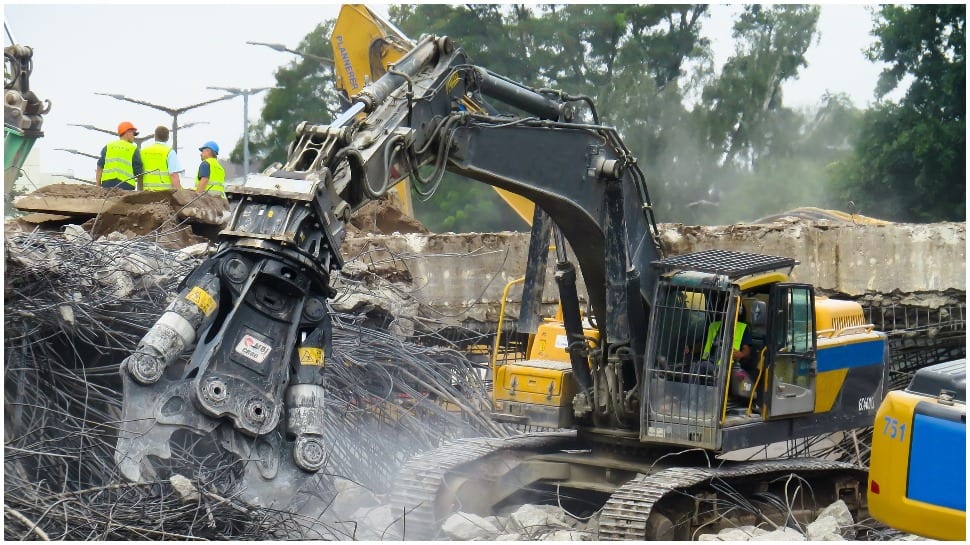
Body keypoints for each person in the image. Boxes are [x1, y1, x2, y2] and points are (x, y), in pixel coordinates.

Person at [95, 121, 144, 190]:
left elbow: (99, 168)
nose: (134, 136)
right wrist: (140, 191)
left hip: (107, 184)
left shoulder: (109, 146)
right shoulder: (133, 149)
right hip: (126, 185)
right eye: (134, 133)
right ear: (128, 132)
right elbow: (139, 174)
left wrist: (98, 186)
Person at [140, 126, 183, 191]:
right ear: (168, 138)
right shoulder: (169, 152)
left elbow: (139, 175)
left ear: (155, 136)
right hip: (164, 194)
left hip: (146, 193)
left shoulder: (143, 151)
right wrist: (180, 194)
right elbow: (173, 175)